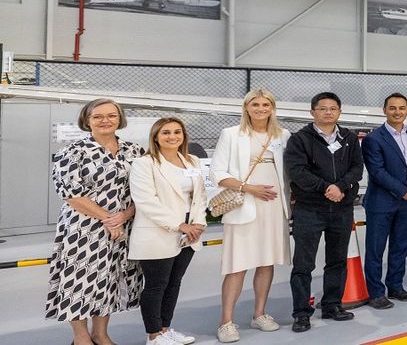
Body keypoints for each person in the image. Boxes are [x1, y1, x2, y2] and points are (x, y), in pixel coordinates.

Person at [47, 99, 145, 345]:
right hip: (82, 228)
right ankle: (81, 337)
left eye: (111, 115)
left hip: (122, 226)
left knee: (108, 280)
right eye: (98, 116)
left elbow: (145, 191)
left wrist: (123, 216)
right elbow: (70, 194)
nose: (105, 120)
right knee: (78, 280)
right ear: (87, 120)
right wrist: (109, 218)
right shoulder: (71, 152)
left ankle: (101, 334)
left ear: (119, 119)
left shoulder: (135, 151)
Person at [209, 89, 291, 342]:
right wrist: (249, 188)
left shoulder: (283, 135)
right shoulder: (231, 134)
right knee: (237, 264)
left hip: (274, 206)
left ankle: (259, 314)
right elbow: (217, 172)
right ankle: (226, 321)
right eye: (255, 104)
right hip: (244, 203)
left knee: (266, 261)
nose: (260, 108)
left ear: (272, 107)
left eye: (266, 104)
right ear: (246, 108)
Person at [284, 92, 363, 332]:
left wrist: (340, 187)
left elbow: (357, 167)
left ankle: (332, 305)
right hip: (310, 209)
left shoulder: (349, 137)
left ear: (339, 111)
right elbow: (297, 171)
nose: (328, 112)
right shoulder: (300, 139)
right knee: (303, 264)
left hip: (341, 208)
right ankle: (301, 313)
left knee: (337, 260)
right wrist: (325, 188)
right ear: (312, 112)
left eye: (333, 108)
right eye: (322, 108)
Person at [129, 117, 208, 345]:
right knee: (156, 285)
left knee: (174, 283)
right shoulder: (144, 163)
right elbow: (146, 201)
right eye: (166, 132)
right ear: (155, 136)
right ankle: (153, 335)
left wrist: (199, 223)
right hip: (158, 231)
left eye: (177, 132)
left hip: (189, 232)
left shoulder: (192, 161)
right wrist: (179, 225)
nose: (172, 136)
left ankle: (165, 329)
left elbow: (200, 197)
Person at [360, 93, 407, 310]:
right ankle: (376, 292)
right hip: (381, 202)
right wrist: (402, 190)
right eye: (393, 108)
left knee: (401, 246)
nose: (397, 112)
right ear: (384, 110)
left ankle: (395, 286)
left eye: (402, 108)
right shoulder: (373, 139)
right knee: (376, 248)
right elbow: (377, 171)